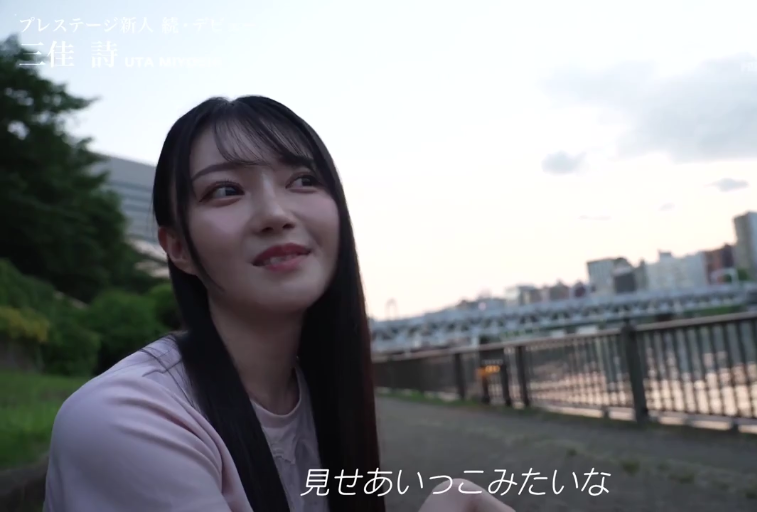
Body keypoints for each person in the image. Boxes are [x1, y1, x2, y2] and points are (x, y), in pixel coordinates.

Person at [43, 96, 513, 512]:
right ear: (178, 248)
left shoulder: (321, 391)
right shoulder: (126, 420)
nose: (274, 213)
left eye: (303, 180)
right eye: (225, 190)